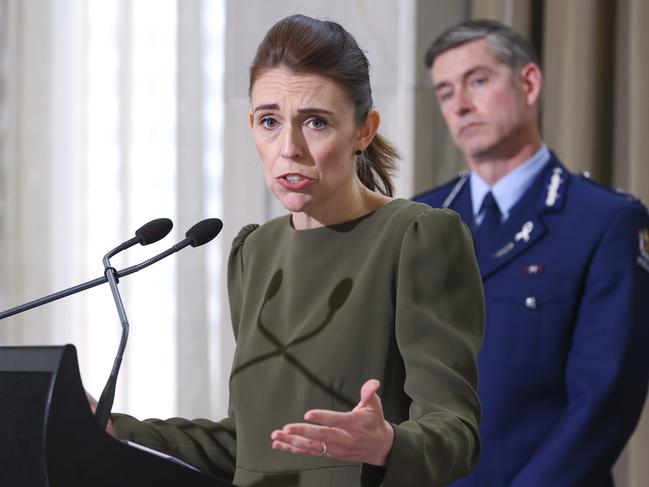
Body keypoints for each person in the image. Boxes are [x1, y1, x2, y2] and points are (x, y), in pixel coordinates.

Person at [107, 15, 485, 487]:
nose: (289, 147)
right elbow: (247, 443)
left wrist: (386, 443)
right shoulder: (254, 253)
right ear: (251, 126)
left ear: (364, 130)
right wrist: (110, 429)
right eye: (270, 121)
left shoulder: (417, 238)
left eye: (316, 123)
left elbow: (457, 432)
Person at [414, 19, 649, 486]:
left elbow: (605, 398)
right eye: (444, 92)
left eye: (477, 81)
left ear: (529, 83)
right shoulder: (419, 218)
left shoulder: (603, 220)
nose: (460, 105)